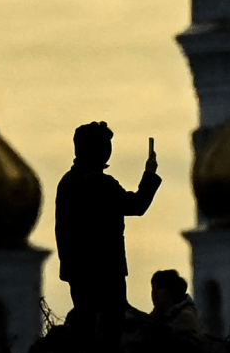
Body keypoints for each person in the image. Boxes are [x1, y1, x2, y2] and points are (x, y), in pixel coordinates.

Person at [55, 121, 160, 335]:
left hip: (78, 270)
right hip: (105, 271)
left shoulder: (67, 181)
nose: (108, 151)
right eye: (104, 145)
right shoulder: (99, 183)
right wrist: (149, 173)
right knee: (109, 330)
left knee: (87, 325)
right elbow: (137, 205)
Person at [146, 269, 202, 336]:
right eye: (153, 288)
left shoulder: (185, 317)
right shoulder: (158, 315)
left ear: (172, 290)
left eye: (160, 287)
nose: (154, 292)